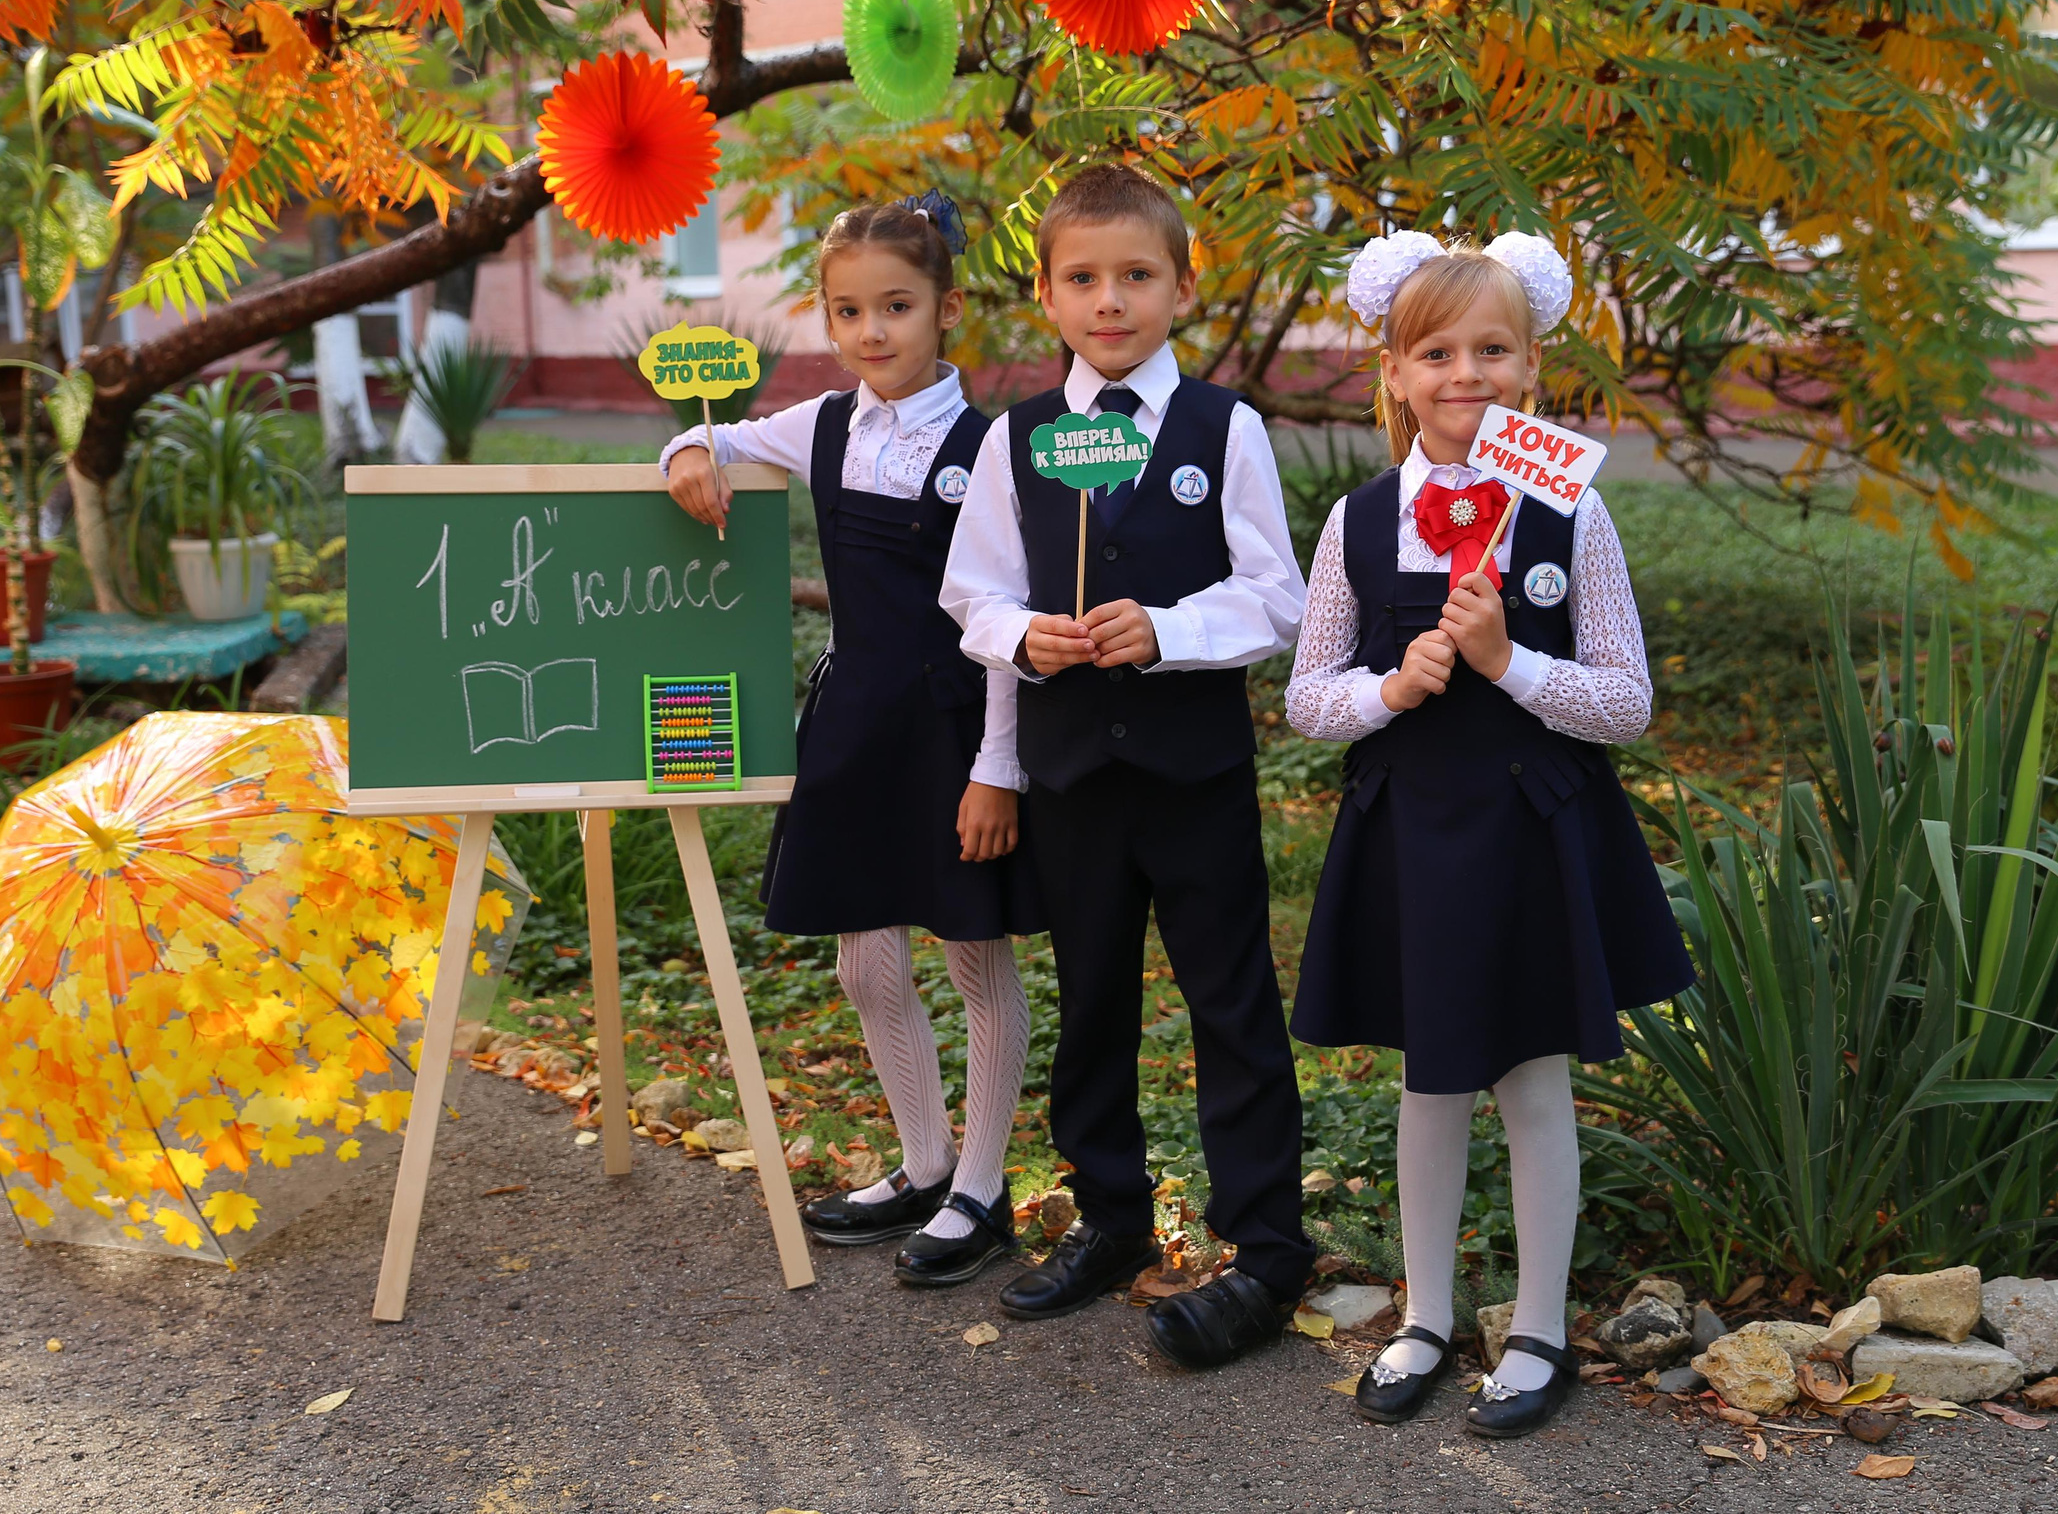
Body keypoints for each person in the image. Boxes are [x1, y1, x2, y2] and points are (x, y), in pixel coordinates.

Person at [1284, 230, 1693, 1436]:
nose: (1465, 373)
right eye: (1436, 353)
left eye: (1493, 350)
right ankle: (1423, 1317)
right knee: (1431, 1078)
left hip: (1529, 833)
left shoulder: (1571, 516)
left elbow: (1625, 701)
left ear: (1530, 366)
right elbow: (1307, 697)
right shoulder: (1360, 522)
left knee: (1530, 1079)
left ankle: (1539, 1328)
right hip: (1411, 833)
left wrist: (1509, 662)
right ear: (1395, 373)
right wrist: (1391, 687)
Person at [939, 162, 1316, 1369]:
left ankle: (1265, 1245)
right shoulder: (1017, 438)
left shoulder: (1223, 428)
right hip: (1071, 780)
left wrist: (1169, 629)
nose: (1110, 301)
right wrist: (1023, 636)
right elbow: (973, 593)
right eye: (1084, 279)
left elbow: (1279, 598)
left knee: (1231, 1003)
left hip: (1193, 775)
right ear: (1046, 296)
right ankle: (1109, 1216)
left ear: (1181, 288)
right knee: (1091, 996)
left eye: (1137, 276)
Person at [661, 191, 1039, 1288]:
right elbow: (719, 436)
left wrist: (997, 767)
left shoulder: (990, 447)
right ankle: (925, 1164)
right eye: (847, 311)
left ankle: (982, 1187)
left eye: (896, 306)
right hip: (854, 724)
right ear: (827, 318)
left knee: (972, 950)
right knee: (865, 962)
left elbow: (1005, 621)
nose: (872, 331)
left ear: (946, 310)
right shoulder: (825, 426)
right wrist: (687, 446)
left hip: (957, 729)